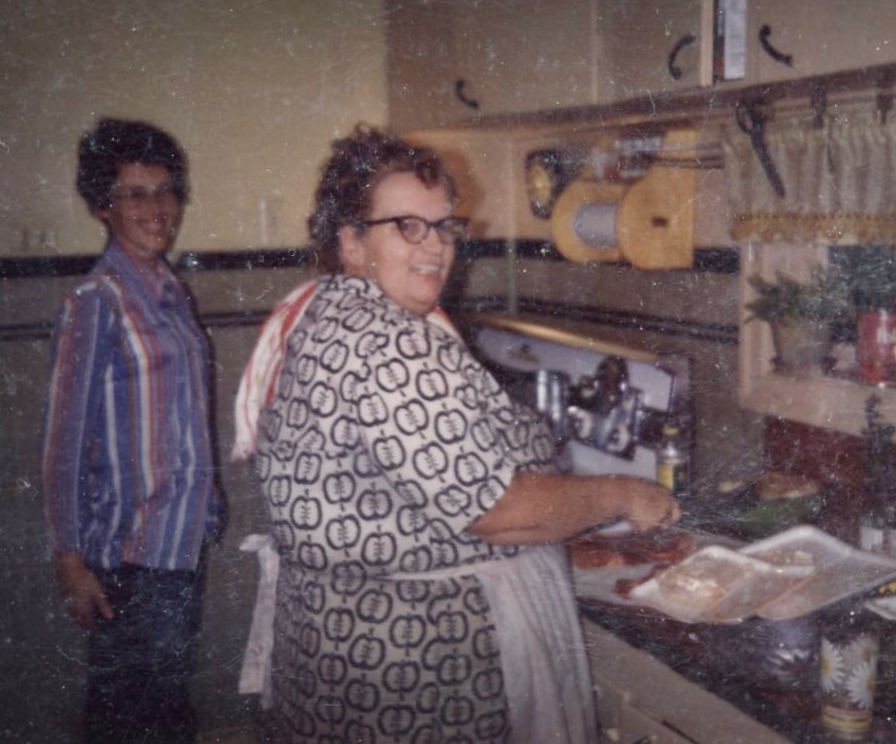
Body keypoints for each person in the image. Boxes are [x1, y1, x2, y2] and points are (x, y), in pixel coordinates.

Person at [234, 124, 679, 744]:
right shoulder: (392, 342)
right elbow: (496, 507)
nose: (436, 246)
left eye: (445, 226)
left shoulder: (324, 309)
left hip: (334, 656)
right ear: (353, 242)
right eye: (407, 226)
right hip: (412, 675)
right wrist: (622, 494)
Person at [42, 118, 220, 743]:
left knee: (163, 709)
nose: (159, 207)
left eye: (167, 190)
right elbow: (63, 443)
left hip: (179, 548)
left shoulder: (169, 291)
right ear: (101, 205)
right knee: (131, 718)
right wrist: (68, 558)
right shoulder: (97, 301)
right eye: (136, 193)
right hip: (128, 558)